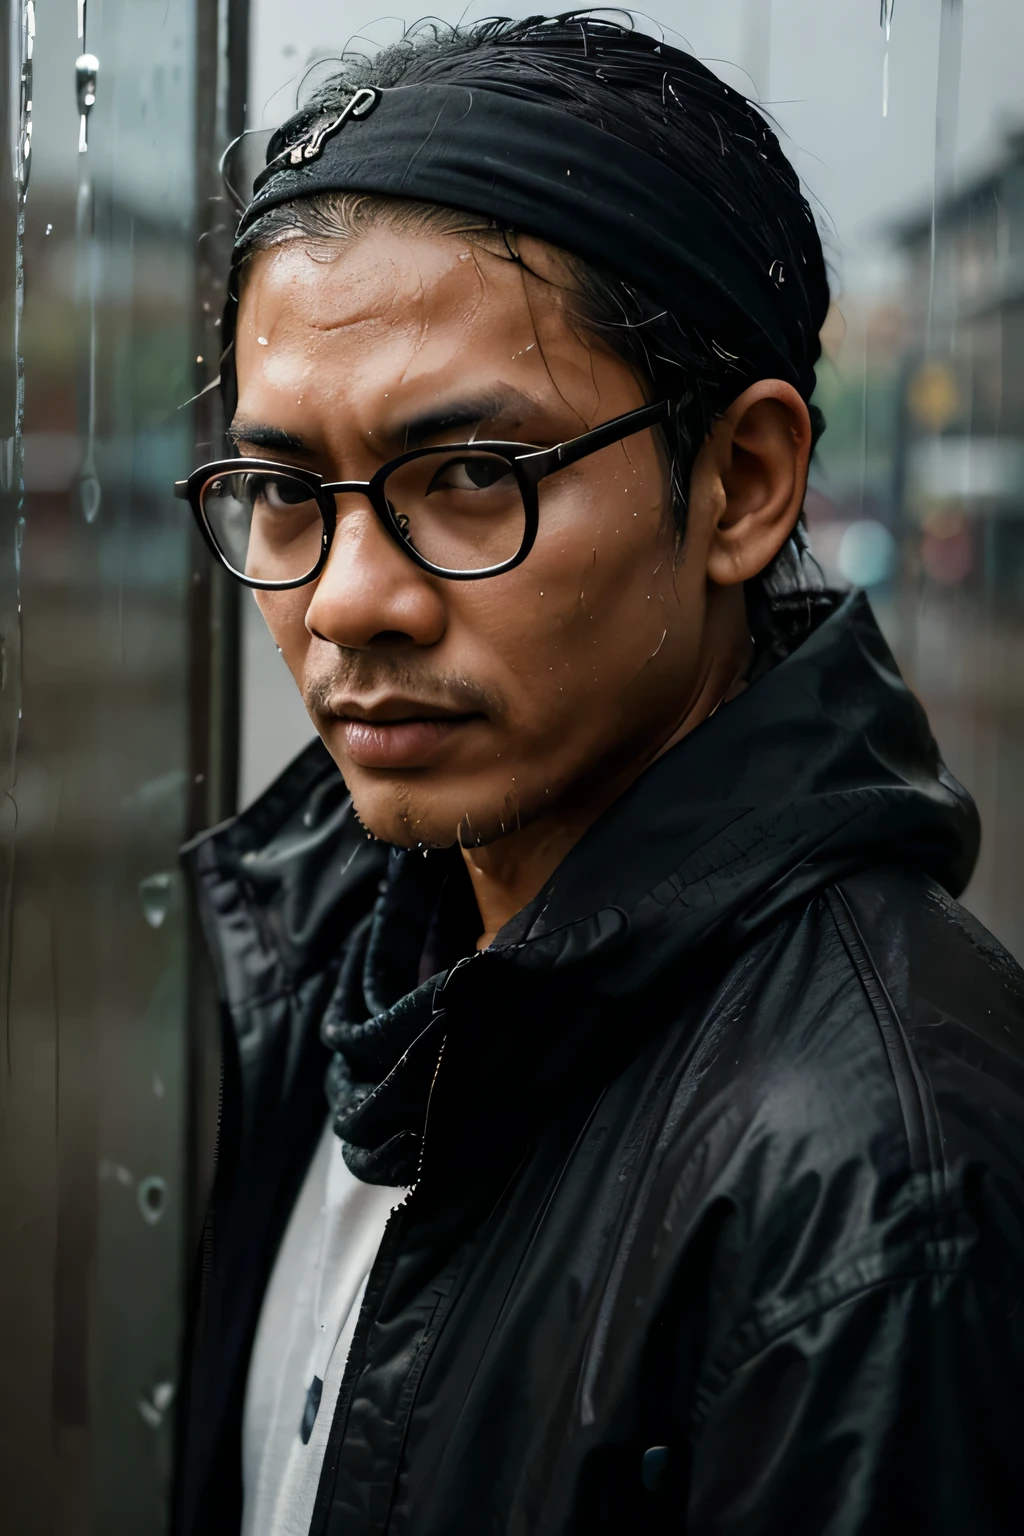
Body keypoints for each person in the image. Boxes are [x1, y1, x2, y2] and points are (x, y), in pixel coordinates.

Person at [172, 15, 1024, 1536]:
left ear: (743, 487)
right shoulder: (333, 959)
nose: (349, 600)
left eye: (474, 478)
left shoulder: (881, 1188)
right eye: (284, 494)